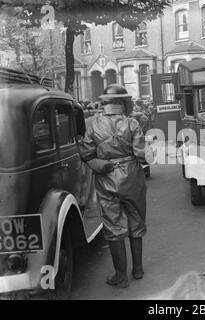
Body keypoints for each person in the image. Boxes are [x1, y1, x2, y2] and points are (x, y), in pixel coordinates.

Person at [80, 84, 149, 288]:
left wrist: (101, 165)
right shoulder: (133, 123)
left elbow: (86, 154)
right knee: (137, 221)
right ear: (123, 102)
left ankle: (121, 276)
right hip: (132, 178)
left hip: (106, 179)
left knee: (113, 226)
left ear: (104, 103)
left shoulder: (91, 124)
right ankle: (137, 269)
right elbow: (141, 154)